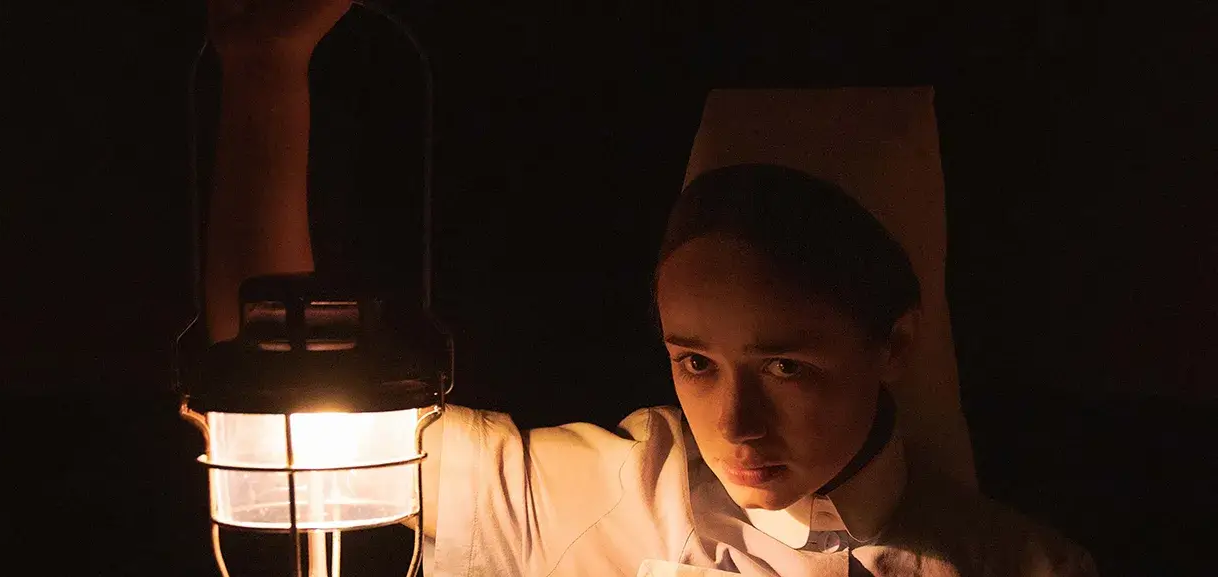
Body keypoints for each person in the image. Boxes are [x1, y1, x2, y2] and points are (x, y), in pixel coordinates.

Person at [201, 1, 1098, 575]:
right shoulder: (606, 494)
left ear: (893, 342)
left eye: (785, 366)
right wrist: (265, 73)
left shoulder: (1021, 564)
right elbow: (267, 393)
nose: (737, 424)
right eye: (696, 361)